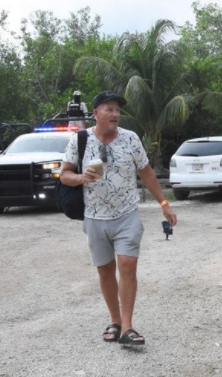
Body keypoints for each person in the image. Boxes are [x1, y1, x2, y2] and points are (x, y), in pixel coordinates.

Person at [60, 91, 177, 345]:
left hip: (126, 215)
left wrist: (164, 203)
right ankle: (114, 320)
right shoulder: (79, 140)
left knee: (127, 265)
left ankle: (127, 326)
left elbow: (146, 173)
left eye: (117, 110)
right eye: (109, 109)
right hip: (94, 217)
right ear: (96, 113)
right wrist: (81, 178)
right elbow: (64, 174)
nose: (115, 114)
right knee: (105, 271)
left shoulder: (130, 139)